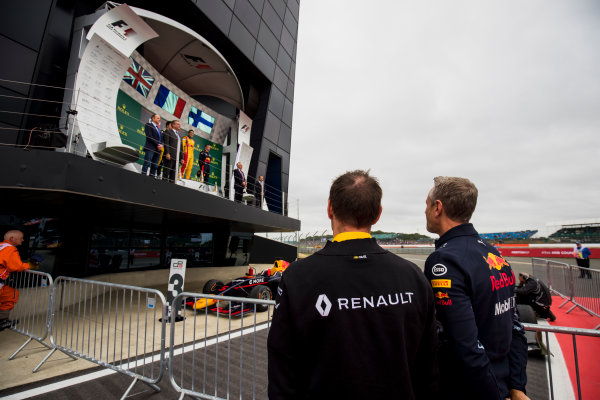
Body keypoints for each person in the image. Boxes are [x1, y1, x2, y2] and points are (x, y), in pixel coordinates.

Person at [268, 170, 438, 399]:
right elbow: (429, 367)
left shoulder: (297, 276)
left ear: (330, 208)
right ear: (378, 214)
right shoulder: (413, 276)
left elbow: (283, 370)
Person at [423, 176, 529, 400]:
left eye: (426, 204)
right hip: (501, 382)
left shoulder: (444, 260)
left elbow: (465, 345)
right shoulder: (495, 254)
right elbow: (517, 327)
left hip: (471, 388)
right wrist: (517, 386)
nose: (424, 211)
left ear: (437, 208)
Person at [0, 230, 41, 330]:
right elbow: (15, 266)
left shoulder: (1, 246)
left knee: (10, 294)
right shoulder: (10, 249)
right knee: (10, 296)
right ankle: (2, 321)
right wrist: (29, 265)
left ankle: (2, 320)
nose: (23, 240)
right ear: (12, 239)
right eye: (21, 238)